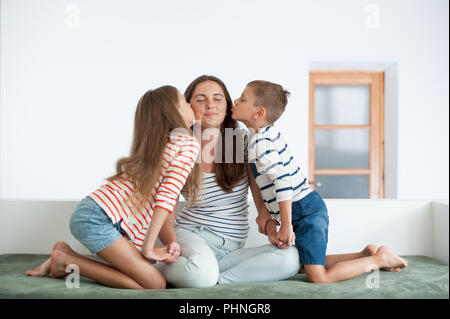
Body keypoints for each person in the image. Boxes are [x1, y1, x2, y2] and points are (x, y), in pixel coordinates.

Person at [230, 80, 409, 283]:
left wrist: (286, 224)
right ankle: (365, 255)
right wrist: (266, 214)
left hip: (305, 210)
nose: (236, 100)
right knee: (304, 263)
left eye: (243, 99)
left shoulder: (263, 143)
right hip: (301, 208)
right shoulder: (259, 137)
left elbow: (282, 182)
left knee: (318, 276)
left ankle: (378, 259)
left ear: (258, 113)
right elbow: (259, 178)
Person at [25, 85, 202, 289]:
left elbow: (165, 198)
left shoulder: (160, 144)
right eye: (184, 102)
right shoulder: (187, 143)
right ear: (175, 113)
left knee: (143, 274)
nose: (190, 105)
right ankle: (64, 261)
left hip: (95, 212)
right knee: (154, 284)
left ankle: (66, 255)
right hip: (100, 218)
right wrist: (149, 248)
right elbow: (166, 198)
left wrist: (155, 245)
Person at [154, 75, 300, 287]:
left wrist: (269, 224)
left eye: (217, 98)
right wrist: (172, 243)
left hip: (231, 248)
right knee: (201, 273)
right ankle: (163, 268)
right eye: (201, 99)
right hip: (192, 235)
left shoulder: (242, 140)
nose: (210, 105)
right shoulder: (179, 145)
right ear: (188, 106)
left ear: (228, 105)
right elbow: (164, 206)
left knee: (290, 259)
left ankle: (212, 278)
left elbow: (257, 189)